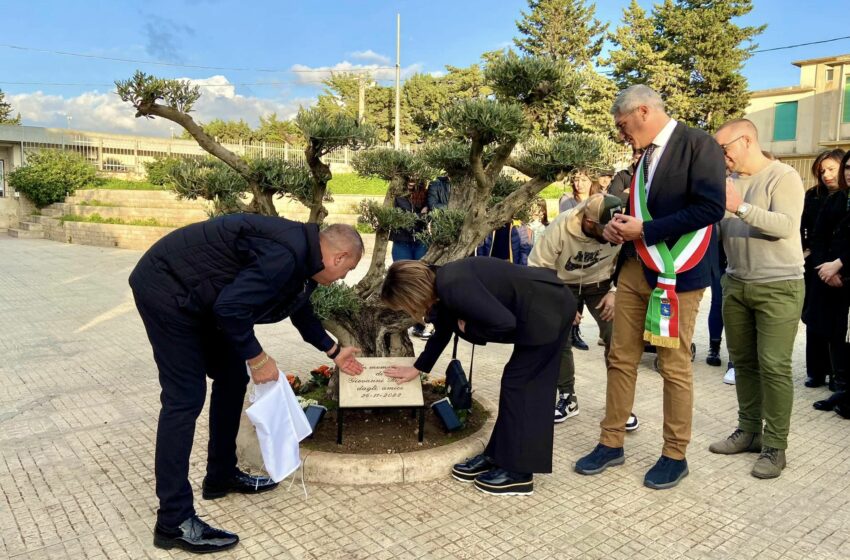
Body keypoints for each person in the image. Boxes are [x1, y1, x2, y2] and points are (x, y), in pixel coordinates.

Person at [130, 216, 365, 554]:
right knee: (184, 398)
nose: (344, 277)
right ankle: (173, 520)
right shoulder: (287, 253)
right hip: (168, 289)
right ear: (339, 257)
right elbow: (231, 309)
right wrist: (258, 358)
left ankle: (221, 474)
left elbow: (300, 312)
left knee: (231, 377)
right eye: (348, 270)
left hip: (203, 298)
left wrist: (334, 351)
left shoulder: (305, 259)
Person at [574, 85, 725, 490]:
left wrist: (648, 229)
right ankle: (611, 442)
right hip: (636, 270)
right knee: (619, 356)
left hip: (679, 276)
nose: (621, 134)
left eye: (622, 125)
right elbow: (641, 209)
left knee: (673, 366)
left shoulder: (698, 144)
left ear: (642, 111)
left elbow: (712, 207)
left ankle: (675, 454)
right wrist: (616, 226)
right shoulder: (643, 158)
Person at [381, 258, 574, 496]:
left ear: (413, 294)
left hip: (548, 309)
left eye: (405, 305)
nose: (410, 311)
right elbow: (443, 331)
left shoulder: (453, 286)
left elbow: (504, 323)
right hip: (542, 306)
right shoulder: (442, 281)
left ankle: (519, 474)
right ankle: (498, 456)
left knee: (525, 389)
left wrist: (469, 330)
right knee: (516, 385)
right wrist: (418, 368)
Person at [709, 119, 805, 479]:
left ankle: (775, 447)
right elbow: (718, 229)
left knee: (775, 366)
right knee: (744, 363)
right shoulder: (729, 184)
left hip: (779, 285)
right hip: (736, 284)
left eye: (724, 149)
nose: (722, 157)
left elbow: (785, 225)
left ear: (746, 140)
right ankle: (749, 432)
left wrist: (740, 207)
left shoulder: (784, 176)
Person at [528, 193, 639, 431]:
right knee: (559, 338)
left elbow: (631, 259)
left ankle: (620, 404)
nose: (614, 233)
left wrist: (617, 291)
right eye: (605, 228)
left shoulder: (621, 226)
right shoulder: (562, 227)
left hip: (602, 284)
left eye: (616, 225)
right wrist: (559, 301)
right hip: (563, 284)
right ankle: (567, 397)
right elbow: (537, 267)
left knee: (618, 338)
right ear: (589, 223)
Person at [801, 149, 847, 389]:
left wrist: (839, 267)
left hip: (842, 269)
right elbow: (808, 231)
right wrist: (816, 262)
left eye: (832, 169)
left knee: (839, 324)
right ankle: (816, 371)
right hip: (817, 266)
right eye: (822, 171)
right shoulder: (813, 195)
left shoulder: (845, 197)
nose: (826, 175)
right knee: (814, 319)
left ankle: (838, 374)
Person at [810, 149, 850, 415]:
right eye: (847, 167)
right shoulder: (836, 199)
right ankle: (842, 390)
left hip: (846, 273)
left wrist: (840, 264)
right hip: (829, 277)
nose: (848, 172)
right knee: (834, 333)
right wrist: (826, 268)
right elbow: (818, 236)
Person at [391, 177, 432, 339]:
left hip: (421, 241)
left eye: (416, 178)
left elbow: (428, 216)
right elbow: (402, 218)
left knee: (420, 280)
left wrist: (419, 216)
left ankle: (420, 323)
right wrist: (419, 215)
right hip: (401, 241)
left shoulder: (426, 194)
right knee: (403, 281)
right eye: (409, 177)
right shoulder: (398, 195)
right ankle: (403, 322)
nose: (412, 181)